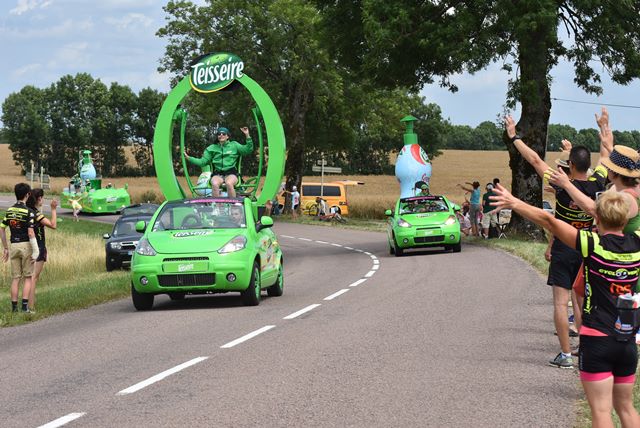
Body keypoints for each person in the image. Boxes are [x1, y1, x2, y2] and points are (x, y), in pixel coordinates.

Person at [491, 185, 640, 428]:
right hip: (626, 339)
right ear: (625, 219)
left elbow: (549, 221)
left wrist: (514, 203)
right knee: (626, 407)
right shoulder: (636, 244)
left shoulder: (592, 243)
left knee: (601, 411)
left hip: (597, 338)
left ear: (597, 217)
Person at [506, 115, 607, 369]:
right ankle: (586, 350)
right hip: (587, 247)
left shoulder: (562, 185)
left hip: (563, 248)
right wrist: (604, 129)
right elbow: (606, 156)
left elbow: (534, 160)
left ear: (570, 165)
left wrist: (514, 137)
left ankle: (565, 355)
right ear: (589, 165)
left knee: (561, 304)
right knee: (584, 301)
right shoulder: (598, 183)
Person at [0, 183, 40, 313]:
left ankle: (14, 309)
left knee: (15, 278)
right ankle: (24, 308)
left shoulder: (9, 210)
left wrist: (5, 247)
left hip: (13, 246)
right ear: (27, 194)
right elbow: (31, 233)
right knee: (28, 277)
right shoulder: (29, 212)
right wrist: (36, 251)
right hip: (26, 246)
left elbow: (2, 228)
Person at [184, 126, 253, 198]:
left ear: (227, 136)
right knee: (214, 183)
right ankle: (216, 204)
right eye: (219, 134)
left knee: (229, 183)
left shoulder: (234, 145)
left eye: (224, 134)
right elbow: (202, 162)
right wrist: (189, 158)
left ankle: (233, 203)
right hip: (218, 174)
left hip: (231, 173)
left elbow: (248, 150)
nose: (221, 135)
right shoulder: (211, 148)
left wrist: (247, 135)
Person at [26, 189, 57, 312]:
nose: (42, 200)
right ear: (38, 198)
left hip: (27, 246)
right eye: (42, 197)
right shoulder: (36, 214)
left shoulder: (27, 211)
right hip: (38, 247)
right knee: (33, 277)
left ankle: (25, 304)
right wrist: (53, 209)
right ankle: (30, 306)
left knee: (28, 277)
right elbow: (53, 225)